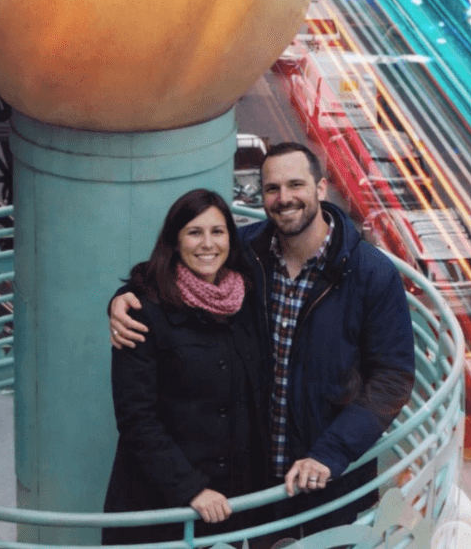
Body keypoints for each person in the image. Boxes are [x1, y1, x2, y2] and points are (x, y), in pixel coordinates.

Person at [109, 143, 416, 539]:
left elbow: (392, 378)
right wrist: (123, 298)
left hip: (324, 475)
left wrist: (332, 452)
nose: (284, 198)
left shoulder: (371, 273)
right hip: (254, 477)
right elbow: (179, 267)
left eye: (295, 185)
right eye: (272, 188)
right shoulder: (248, 252)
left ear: (321, 188)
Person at [102, 189, 270, 545]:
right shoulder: (142, 311)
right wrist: (191, 489)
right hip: (163, 507)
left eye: (217, 231)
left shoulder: (245, 296)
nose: (207, 244)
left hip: (232, 504)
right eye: (194, 232)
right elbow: (136, 418)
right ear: (175, 242)